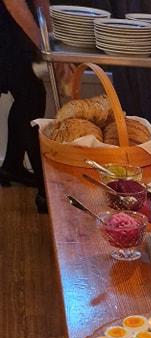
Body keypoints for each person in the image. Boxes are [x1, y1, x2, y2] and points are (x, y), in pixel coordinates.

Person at [0, 0, 56, 211]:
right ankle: (45, 191)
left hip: (10, 34)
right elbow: (15, 6)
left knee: (29, 97)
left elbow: (40, 1)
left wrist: (51, 39)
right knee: (31, 98)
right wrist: (46, 47)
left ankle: (12, 166)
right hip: (7, 33)